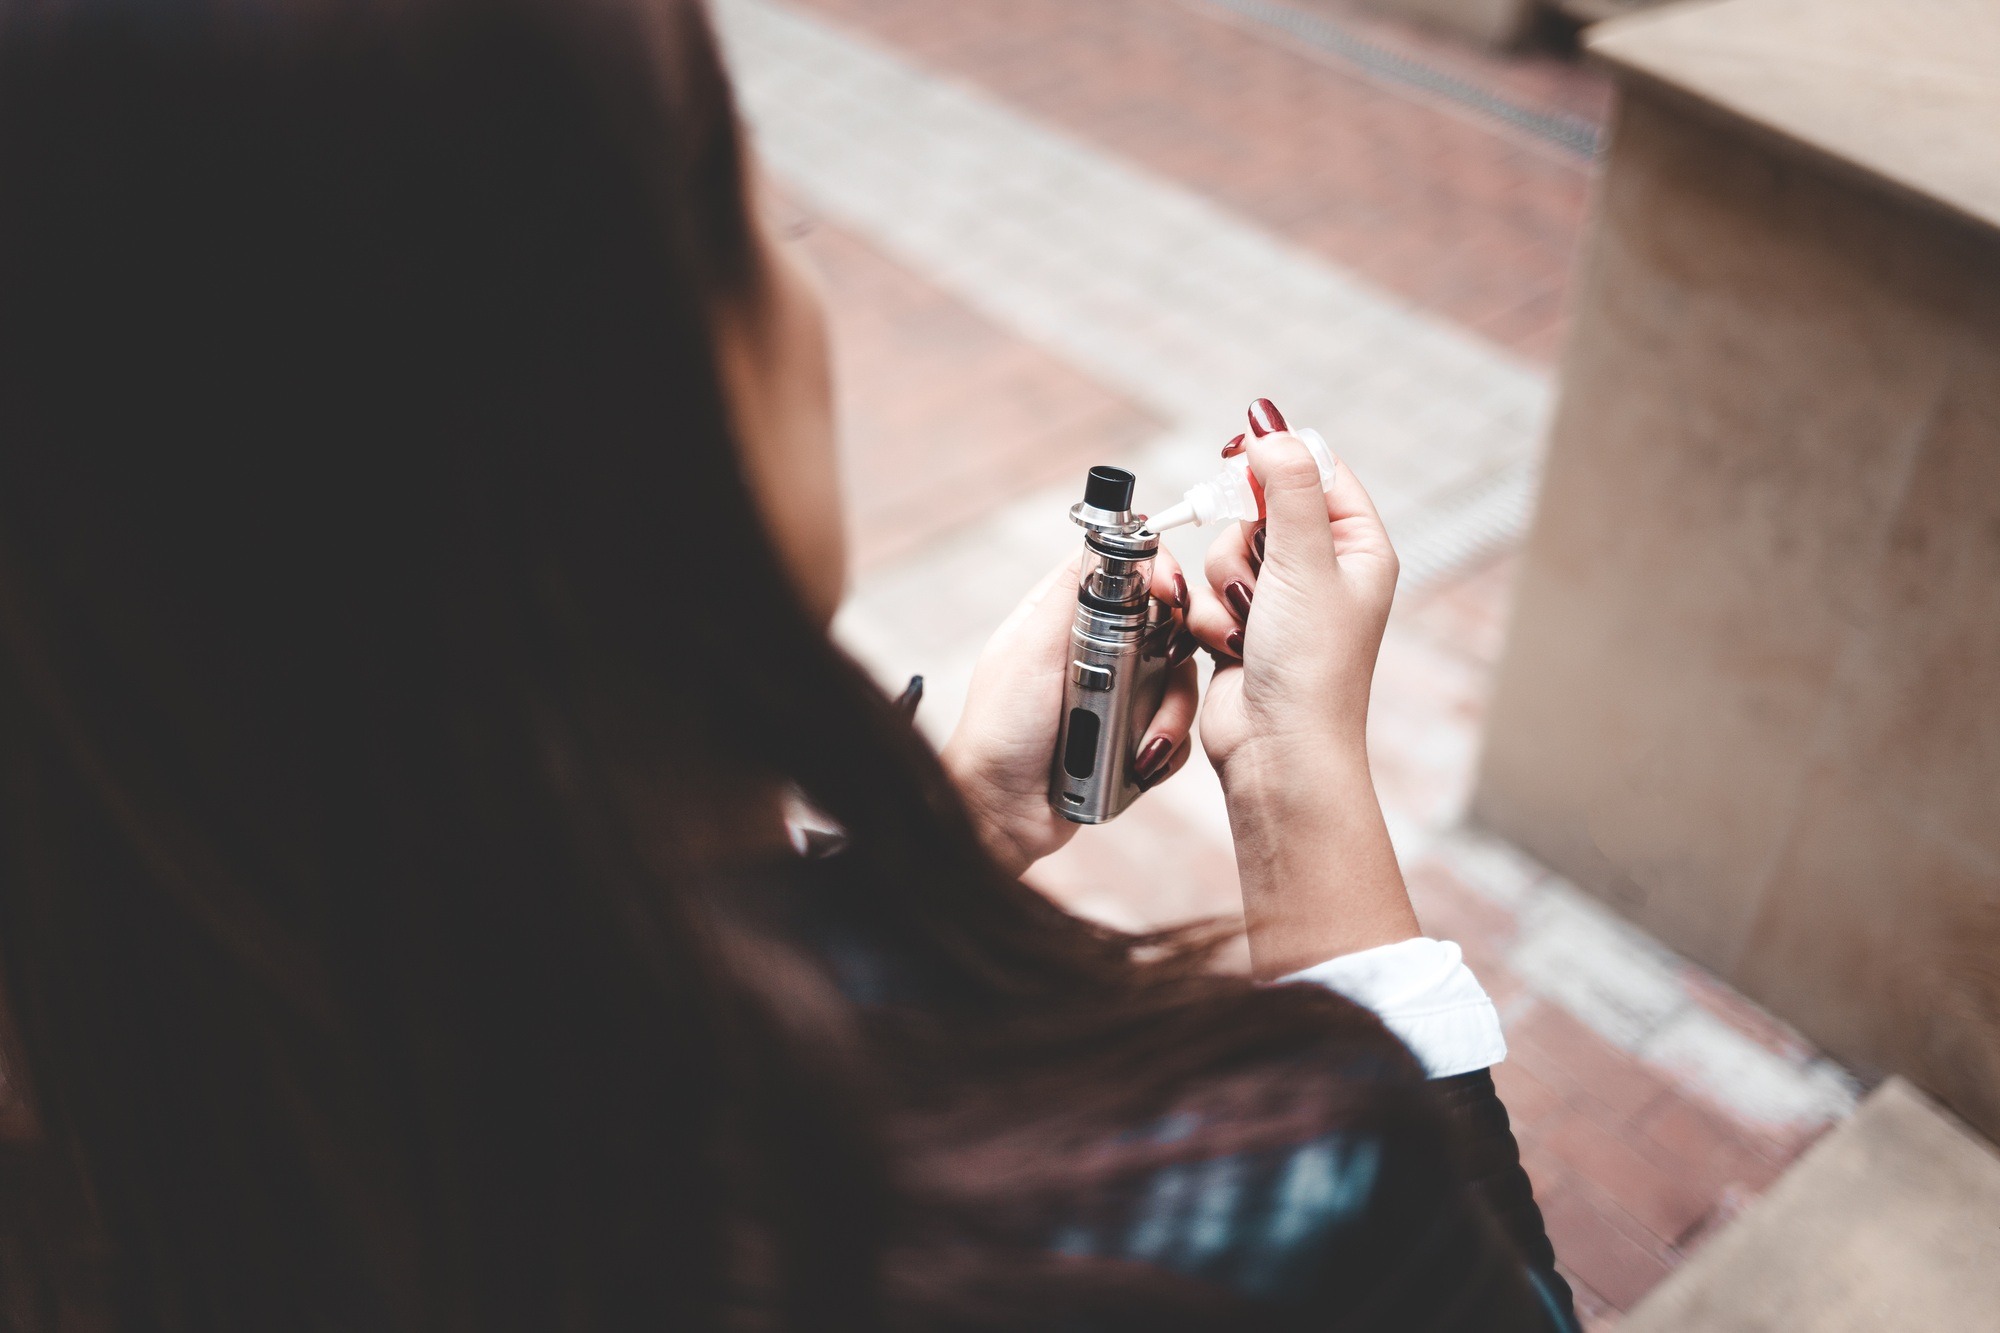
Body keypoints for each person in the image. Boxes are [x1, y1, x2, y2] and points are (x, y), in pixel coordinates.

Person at [0, 0, 1575, 1327]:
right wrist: (1301, 786)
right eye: (772, 223)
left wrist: (957, 831)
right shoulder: (1233, 1204)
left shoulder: (118, 1083)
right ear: (638, 406)